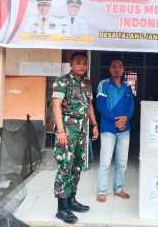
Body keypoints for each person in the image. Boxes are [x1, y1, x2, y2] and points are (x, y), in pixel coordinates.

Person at [52, 52, 99, 224]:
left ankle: (71, 200)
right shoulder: (62, 81)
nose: (82, 66)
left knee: (77, 165)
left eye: (84, 63)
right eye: (78, 63)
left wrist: (94, 125)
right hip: (67, 130)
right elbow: (56, 106)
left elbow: (89, 105)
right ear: (71, 64)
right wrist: (61, 131)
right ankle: (61, 208)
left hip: (82, 129)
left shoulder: (87, 83)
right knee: (65, 166)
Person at [96, 58, 135, 202]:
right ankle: (101, 191)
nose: (117, 69)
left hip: (124, 129)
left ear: (123, 69)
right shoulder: (103, 84)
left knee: (122, 162)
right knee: (105, 162)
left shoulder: (127, 87)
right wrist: (116, 120)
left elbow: (131, 106)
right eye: (114, 66)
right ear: (110, 69)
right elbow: (100, 106)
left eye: (120, 66)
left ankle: (118, 189)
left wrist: (126, 118)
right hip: (108, 129)